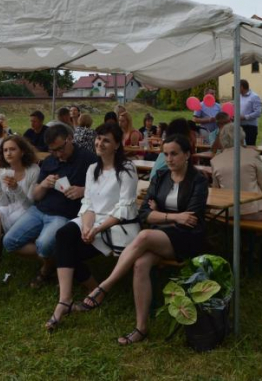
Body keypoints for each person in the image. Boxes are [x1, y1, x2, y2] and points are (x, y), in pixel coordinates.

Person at [78, 135, 208, 345]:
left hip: (187, 239)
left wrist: (163, 214)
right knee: (140, 264)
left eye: (174, 154)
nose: (169, 159)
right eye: (165, 154)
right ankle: (141, 327)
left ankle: (104, 287)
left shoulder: (198, 180)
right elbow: (144, 213)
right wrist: (173, 216)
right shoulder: (160, 177)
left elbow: (191, 219)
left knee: (144, 235)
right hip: (160, 235)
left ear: (187, 155)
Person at [45, 123, 139, 331]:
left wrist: (96, 229)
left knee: (68, 250)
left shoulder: (126, 169)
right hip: (93, 220)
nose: (100, 143)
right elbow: (87, 203)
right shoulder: (92, 169)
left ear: (117, 145)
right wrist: (87, 226)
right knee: (64, 235)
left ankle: (94, 291)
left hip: (116, 225)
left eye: (106, 140)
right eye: (98, 138)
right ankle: (66, 298)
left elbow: (125, 208)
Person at [2, 123, 96, 289]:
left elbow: (103, 188)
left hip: (63, 215)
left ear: (70, 139)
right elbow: (36, 196)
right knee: (9, 242)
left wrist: (84, 190)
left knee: (44, 245)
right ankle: (54, 260)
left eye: (60, 149)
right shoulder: (49, 161)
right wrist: (44, 184)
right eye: (53, 151)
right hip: (38, 210)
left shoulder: (88, 159)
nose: (58, 154)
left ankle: (48, 266)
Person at [0, 135, 40, 294]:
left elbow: (30, 204)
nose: (8, 153)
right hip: (11, 208)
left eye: (13, 149)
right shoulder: (4, 171)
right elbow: (2, 204)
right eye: (5, 150)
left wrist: (16, 188)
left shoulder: (33, 170)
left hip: (30, 211)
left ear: (23, 152)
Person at [211, 124, 262, 221]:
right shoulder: (252, 154)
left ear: (222, 140)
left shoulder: (215, 160)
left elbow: (216, 189)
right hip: (254, 211)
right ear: (242, 137)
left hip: (227, 212)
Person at [239, 79, 262, 146]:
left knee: (249, 147)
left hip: (250, 127)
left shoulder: (254, 97)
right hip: (240, 126)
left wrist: (245, 117)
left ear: (242, 87)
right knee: (240, 147)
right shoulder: (239, 96)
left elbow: (258, 112)